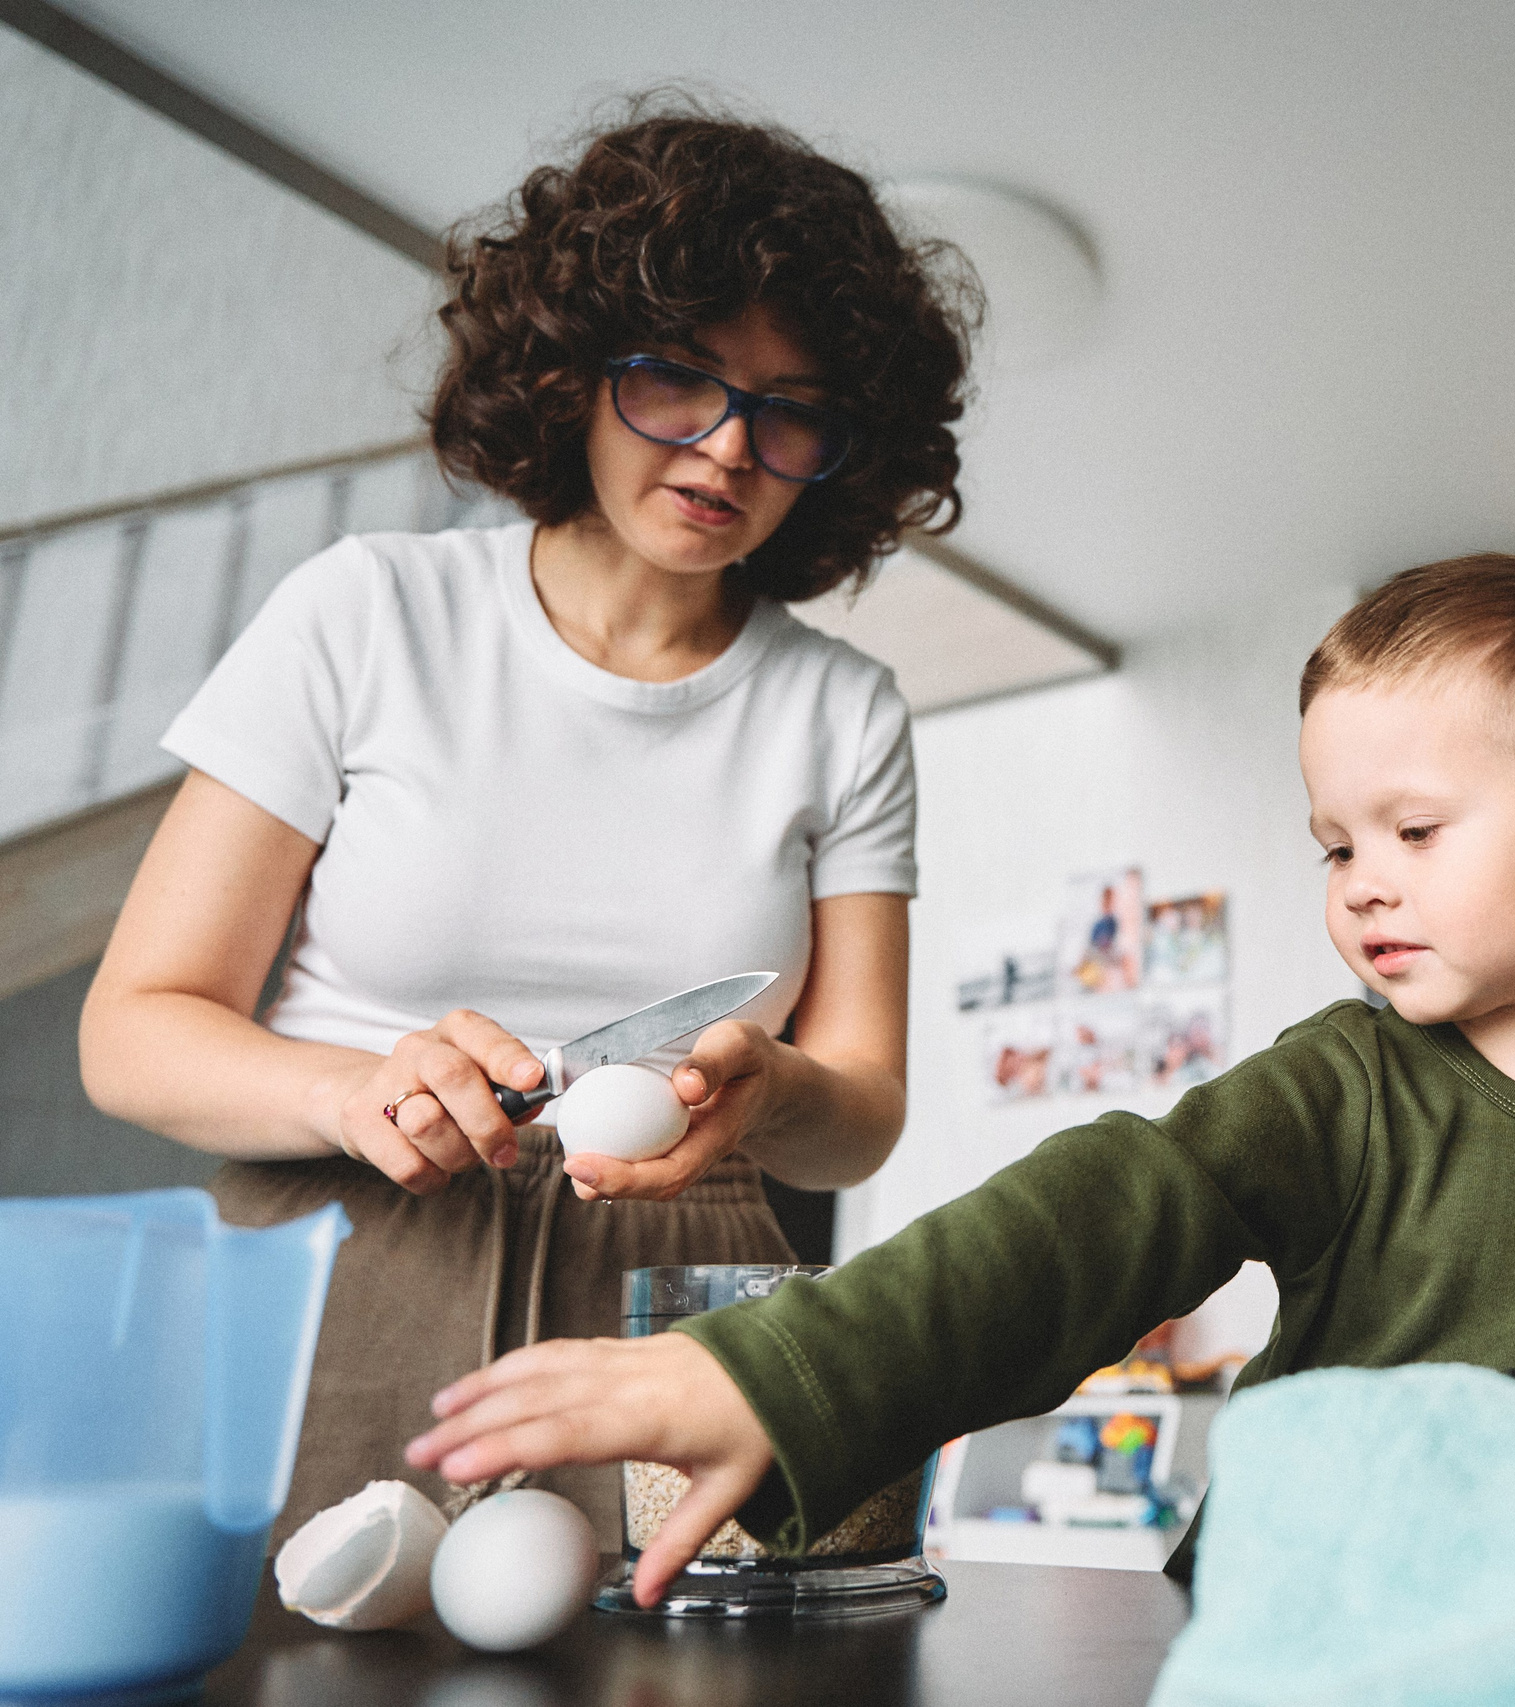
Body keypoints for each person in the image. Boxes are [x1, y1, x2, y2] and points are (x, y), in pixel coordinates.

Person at [407, 555, 1515, 1604]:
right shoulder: (1351, 1085)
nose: (1365, 888)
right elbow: (1101, 1215)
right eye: (1338, 846)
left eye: (1414, 827)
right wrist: (783, 1377)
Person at [79, 107, 972, 1539]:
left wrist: (771, 1088)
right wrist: (347, 1091)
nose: (728, 447)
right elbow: (133, 1024)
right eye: (678, 378)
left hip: (684, 1299)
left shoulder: (843, 710)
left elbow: (861, 1110)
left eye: (790, 406)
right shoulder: (363, 611)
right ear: (569, 371)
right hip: (340, 1253)